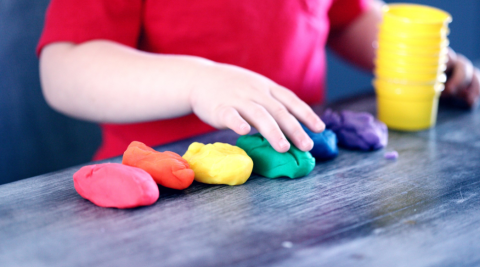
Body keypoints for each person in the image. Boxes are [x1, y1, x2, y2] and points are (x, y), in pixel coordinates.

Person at [37, 0, 480, 161]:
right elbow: (66, 67)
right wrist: (198, 82)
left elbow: (346, 19)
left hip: (299, 177)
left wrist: (422, 60)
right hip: (162, 190)